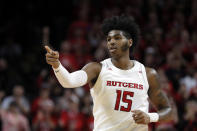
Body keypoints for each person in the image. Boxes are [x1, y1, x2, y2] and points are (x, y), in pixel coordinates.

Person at [44, 15, 173, 131]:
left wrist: (149, 117)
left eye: (117, 38)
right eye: (109, 39)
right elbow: (69, 81)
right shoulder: (97, 69)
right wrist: (57, 65)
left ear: (130, 42)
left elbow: (168, 111)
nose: (111, 42)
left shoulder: (148, 74)